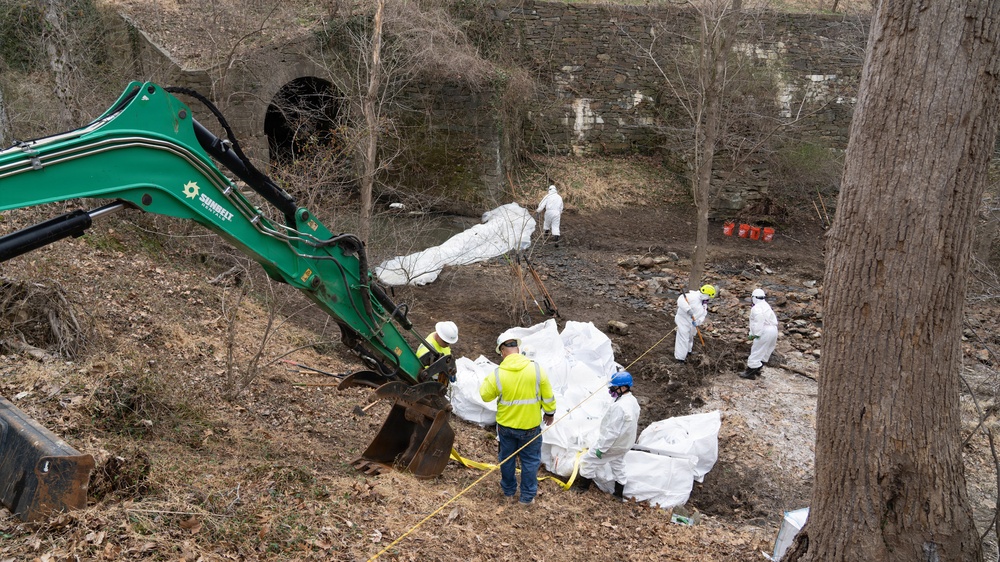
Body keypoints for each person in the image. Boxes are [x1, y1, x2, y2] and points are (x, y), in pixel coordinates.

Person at [479, 332, 557, 506]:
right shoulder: (536, 369)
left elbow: (484, 395)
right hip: (530, 427)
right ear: (518, 349)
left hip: (506, 427)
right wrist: (550, 413)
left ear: (502, 352)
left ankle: (508, 492)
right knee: (530, 461)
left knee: (507, 459)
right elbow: (548, 396)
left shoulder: (498, 374)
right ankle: (527, 498)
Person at [574, 371, 640, 501]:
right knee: (618, 465)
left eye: (614, 387)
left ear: (623, 387)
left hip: (613, 444)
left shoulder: (620, 407)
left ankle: (582, 488)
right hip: (625, 444)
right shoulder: (632, 401)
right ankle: (618, 494)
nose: (611, 390)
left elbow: (612, 432)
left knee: (588, 460)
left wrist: (601, 449)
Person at [740, 288, 779, 380]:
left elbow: (759, 320)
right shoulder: (766, 305)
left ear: (753, 297)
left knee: (757, 350)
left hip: (764, 330)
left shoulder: (756, 308)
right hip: (774, 330)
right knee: (766, 351)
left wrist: (756, 334)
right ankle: (757, 370)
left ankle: (750, 373)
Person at [674, 284, 716, 363]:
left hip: (693, 323)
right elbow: (681, 300)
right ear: (705, 294)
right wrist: (687, 309)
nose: (709, 299)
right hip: (683, 320)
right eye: (709, 296)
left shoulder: (704, 304)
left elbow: (703, 314)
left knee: (690, 337)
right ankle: (680, 358)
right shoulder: (692, 296)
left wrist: (698, 321)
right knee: (683, 338)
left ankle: (688, 351)